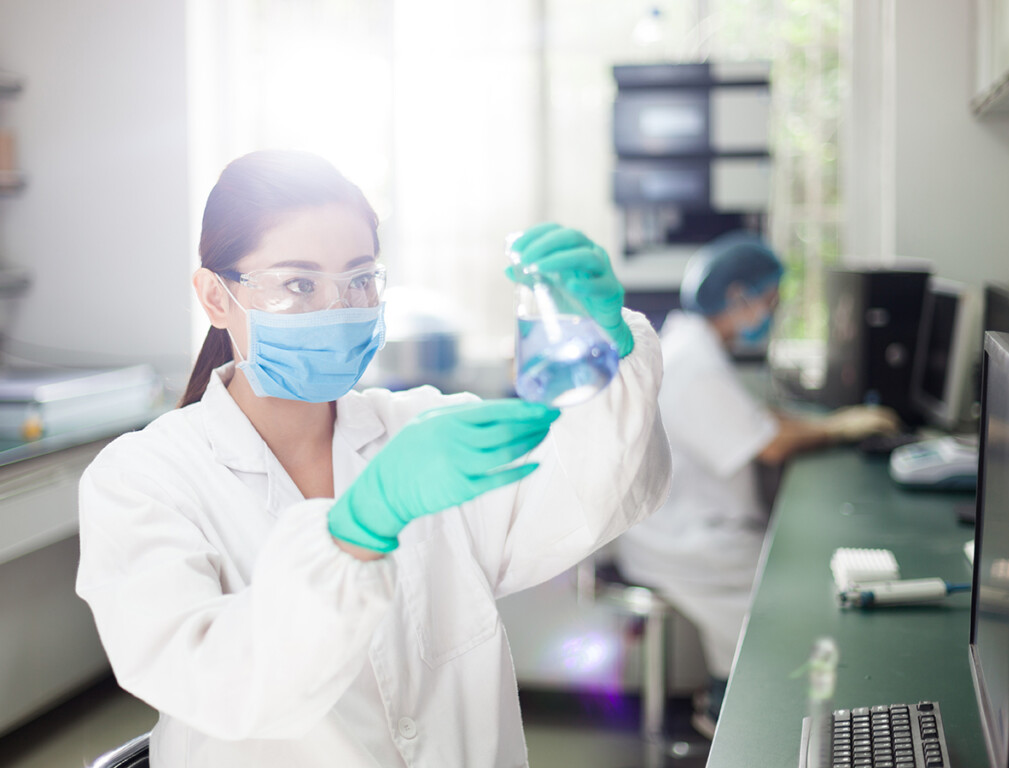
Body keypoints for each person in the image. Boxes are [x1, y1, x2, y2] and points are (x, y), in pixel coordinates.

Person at [74, 149, 670, 767]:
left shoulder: (423, 431)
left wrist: (605, 349)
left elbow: (589, 492)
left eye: (359, 279)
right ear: (216, 297)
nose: (338, 308)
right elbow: (212, 682)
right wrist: (357, 531)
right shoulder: (143, 480)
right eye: (298, 284)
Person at [614, 231, 899, 739]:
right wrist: (836, 427)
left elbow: (754, 418)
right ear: (738, 296)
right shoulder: (692, 364)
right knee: (797, 608)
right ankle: (732, 715)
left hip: (688, 528)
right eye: (770, 299)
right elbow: (766, 443)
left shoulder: (690, 343)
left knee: (794, 591)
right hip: (688, 539)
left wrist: (823, 422)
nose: (773, 311)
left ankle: (732, 700)